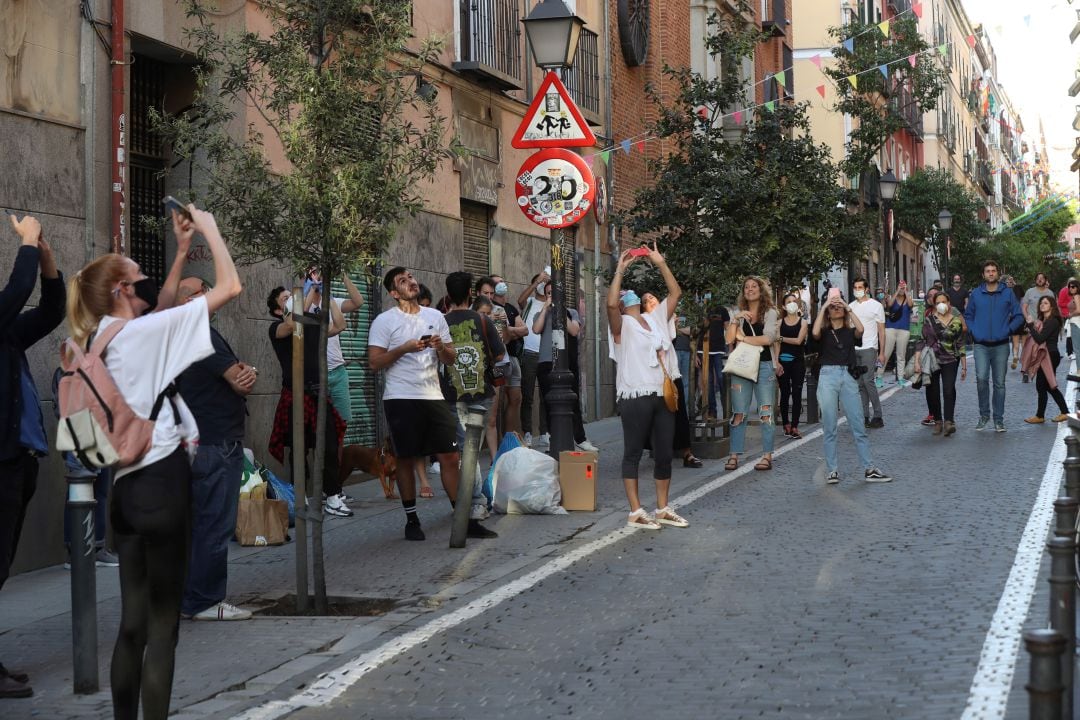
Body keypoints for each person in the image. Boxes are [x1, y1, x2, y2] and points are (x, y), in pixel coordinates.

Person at [66, 204, 241, 719]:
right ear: (121, 290)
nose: (143, 283)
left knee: (132, 626)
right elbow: (230, 287)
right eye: (135, 277)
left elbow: (161, 309)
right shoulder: (145, 336)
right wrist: (210, 228)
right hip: (164, 484)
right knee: (165, 628)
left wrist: (183, 248)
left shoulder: (96, 339)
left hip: (122, 492)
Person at [0, 213, 65, 699]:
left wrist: (45, 258)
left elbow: (49, 311)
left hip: (17, 462)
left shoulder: (5, 334)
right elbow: (13, 298)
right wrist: (24, 243)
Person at [176, 277, 256, 621]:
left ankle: (189, 597)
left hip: (198, 440)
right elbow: (239, 381)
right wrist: (247, 373)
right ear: (191, 299)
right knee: (214, 524)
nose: (210, 293)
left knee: (198, 524)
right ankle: (206, 601)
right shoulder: (199, 333)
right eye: (203, 289)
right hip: (216, 440)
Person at [369, 267, 468, 541]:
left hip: (433, 396)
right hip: (400, 397)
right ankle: (411, 519)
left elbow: (451, 358)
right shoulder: (384, 321)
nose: (411, 281)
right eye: (403, 280)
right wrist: (404, 349)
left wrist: (440, 347)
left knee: (450, 456)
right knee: (405, 458)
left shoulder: (435, 316)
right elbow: (374, 362)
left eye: (411, 277)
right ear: (393, 292)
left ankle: (460, 516)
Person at [606, 244, 688, 530]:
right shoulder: (621, 325)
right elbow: (608, 305)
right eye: (622, 295)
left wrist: (660, 262)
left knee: (664, 452)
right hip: (635, 395)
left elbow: (675, 293)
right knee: (633, 452)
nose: (628, 294)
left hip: (661, 393)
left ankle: (663, 508)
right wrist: (619, 271)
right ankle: (636, 511)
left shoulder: (655, 320)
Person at [266, 285, 350, 516]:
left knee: (330, 445)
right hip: (295, 395)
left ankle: (333, 496)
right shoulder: (278, 328)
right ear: (276, 310)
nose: (292, 300)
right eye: (286, 299)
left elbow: (340, 325)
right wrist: (309, 291)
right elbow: (294, 323)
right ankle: (299, 496)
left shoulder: (312, 325)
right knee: (299, 449)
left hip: (319, 394)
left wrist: (328, 296)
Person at [434, 272, 501, 538]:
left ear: (448, 296)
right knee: (472, 447)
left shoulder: (440, 322)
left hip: (451, 395)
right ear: (471, 295)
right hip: (481, 394)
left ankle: (475, 501)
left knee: (465, 449)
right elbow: (499, 353)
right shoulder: (483, 320)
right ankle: (476, 502)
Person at [811, 291, 892, 484]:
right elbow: (814, 332)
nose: (836, 308)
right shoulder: (823, 332)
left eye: (839, 306)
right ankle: (832, 471)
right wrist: (824, 307)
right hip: (827, 375)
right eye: (833, 307)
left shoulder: (849, 331)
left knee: (857, 425)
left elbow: (861, 330)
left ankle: (869, 468)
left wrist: (847, 306)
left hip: (847, 376)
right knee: (829, 426)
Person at [724, 276, 780, 472]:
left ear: (761, 290)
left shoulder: (770, 313)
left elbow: (768, 339)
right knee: (738, 413)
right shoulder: (738, 313)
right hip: (742, 368)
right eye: (746, 287)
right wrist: (735, 321)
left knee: (766, 412)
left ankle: (767, 455)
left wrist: (743, 337)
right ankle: (734, 455)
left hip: (764, 366)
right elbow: (730, 339)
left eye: (754, 286)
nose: (750, 289)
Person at [531, 281, 595, 452]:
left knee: (572, 402)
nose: (552, 295)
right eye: (548, 293)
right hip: (546, 362)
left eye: (554, 292)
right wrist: (546, 308)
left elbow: (574, 330)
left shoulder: (572, 312)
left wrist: (559, 308)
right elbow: (536, 329)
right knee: (549, 402)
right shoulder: (540, 313)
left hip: (566, 363)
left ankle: (580, 438)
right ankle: (555, 439)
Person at [642, 292, 702, 467]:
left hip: (670, 373)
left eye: (652, 298)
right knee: (651, 415)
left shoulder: (664, 316)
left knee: (679, 412)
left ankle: (687, 453)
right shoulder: (642, 321)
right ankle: (652, 451)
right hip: (651, 376)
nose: (650, 301)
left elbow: (670, 339)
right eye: (646, 301)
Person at [964, 260, 1025, 432]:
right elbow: (968, 316)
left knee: (999, 383)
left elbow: (1019, 315)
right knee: (982, 380)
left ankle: (999, 419)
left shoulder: (1008, 294)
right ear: (983, 275)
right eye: (987, 271)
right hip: (981, 345)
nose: (991, 273)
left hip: (1001, 345)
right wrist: (974, 331)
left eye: (993, 271)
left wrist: (1008, 330)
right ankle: (984, 415)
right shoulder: (976, 294)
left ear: (997, 274)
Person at [303, 270, 364, 427]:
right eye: (312, 273)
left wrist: (343, 274)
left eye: (319, 272)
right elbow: (299, 318)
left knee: (341, 423)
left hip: (338, 371)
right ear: (304, 277)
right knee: (316, 425)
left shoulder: (333, 302)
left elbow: (358, 302)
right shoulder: (298, 302)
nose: (317, 276)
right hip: (315, 375)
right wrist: (310, 290)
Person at [913, 291, 967, 436]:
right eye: (938, 303)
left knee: (949, 389)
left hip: (950, 359)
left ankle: (949, 421)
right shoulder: (928, 320)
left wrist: (964, 366)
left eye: (944, 302)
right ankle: (937, 420)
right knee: (932, 391)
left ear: (949, 304)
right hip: (932, 360)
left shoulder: (956, 321)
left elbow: (961, 343)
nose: (941, 305)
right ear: (934, 305)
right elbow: (921, 340)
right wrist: (917, 361)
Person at [483, 275, 528, 436]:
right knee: (496, 403)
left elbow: (525, 330)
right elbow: (502, 335)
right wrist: (512, 331)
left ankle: (510, 438)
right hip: (497, 361)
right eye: (497, 283)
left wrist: (510, 330)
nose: (501, 284)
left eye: (503, 281)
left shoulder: (508, 308)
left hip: (512, 358)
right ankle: (499, 442)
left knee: (516, 398)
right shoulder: (486, 309)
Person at [1022, 296, 1070, 424]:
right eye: (1041, 303)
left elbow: (1040, 339)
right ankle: (1058, 412)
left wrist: (1031, 325)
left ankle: (1042, 415)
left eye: (1045, 303)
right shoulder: (1044, 320)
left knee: (1046, 385)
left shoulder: (1052, 321)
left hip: (1050, 355)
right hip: (1045, 355)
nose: (1042, 305)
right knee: (1046, 386)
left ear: (1052, 306)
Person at [848, 277, 885, 427]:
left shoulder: (876, 306)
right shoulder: (850, 307)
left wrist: (882, 352)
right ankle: (864, 416)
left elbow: (881, 331)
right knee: (859, 383)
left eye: (860, 287)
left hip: (870, 347)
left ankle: (878, 415)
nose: (857, 290)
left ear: (867, 289)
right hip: (854, 349)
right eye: (855, 288)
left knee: (868, 381)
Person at [517, 272, 549, 448]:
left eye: (545, 282)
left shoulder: (550, 304)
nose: (543, 285)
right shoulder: (529, 302)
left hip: (544, 353)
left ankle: (544, 432)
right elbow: (520, 300)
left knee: (545, 395)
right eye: (540, 283)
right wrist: (536, 281)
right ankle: (527, 432)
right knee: (527, 395)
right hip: (528, 353)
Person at [777, 292, 808, 440]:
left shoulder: (803, 323)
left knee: (797, 393)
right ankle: (786, 424)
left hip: (798, 362)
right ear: (783, 306)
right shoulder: (779, 323)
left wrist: (781, 338)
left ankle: (795, 426)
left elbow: (798, 341)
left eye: (794, 301)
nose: (791, 303)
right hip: (782, 362)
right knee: (784, 393)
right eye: (788, 301)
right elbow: (775, 344)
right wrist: (776, 362)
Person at [1019, 273, 1055, 382]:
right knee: (1029, 348)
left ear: (1045, 280)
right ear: (1035, 280)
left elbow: (1054, 309)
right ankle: (1025, 371)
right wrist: (1028, 320)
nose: (1040, 280)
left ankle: (1042, 370)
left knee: (1042, 348)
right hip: (1032, 325)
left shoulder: (1050, 293)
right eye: (1038, 279)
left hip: (1045, 326)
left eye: (1042, 278)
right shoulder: (1030, 292)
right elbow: (1024, 307)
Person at [699, 303, 730, 420]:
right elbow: (697, 330)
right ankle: (712, 411)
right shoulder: (700, 309)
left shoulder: (722, 309)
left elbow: (727, 329)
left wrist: (730, 349)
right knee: (708, 381)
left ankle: (727, 409)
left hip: (718, 349)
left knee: (722, 378)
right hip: (703, 349)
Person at [880, 282, 913, 388]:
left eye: (904, 287)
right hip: (890, 328)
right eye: (901, 286)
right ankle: (879, 376)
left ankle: (900, 378)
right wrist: (897, 291)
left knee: (901, 355)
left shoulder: (908, 298)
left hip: (904, 330)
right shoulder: (892, 297)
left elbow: (910, 305)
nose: (902, 288)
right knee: (885, 353)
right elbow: (889, 304)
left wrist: (906, 291)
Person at [1057, 278, 1076, 359]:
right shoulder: (1063, 291)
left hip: (1075, 314)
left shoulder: (1076, 290)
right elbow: (1060, 303)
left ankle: (1072, 351)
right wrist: (1071, 304)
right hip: (1067, 314)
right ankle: (1069, 352)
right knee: (1069, 334)